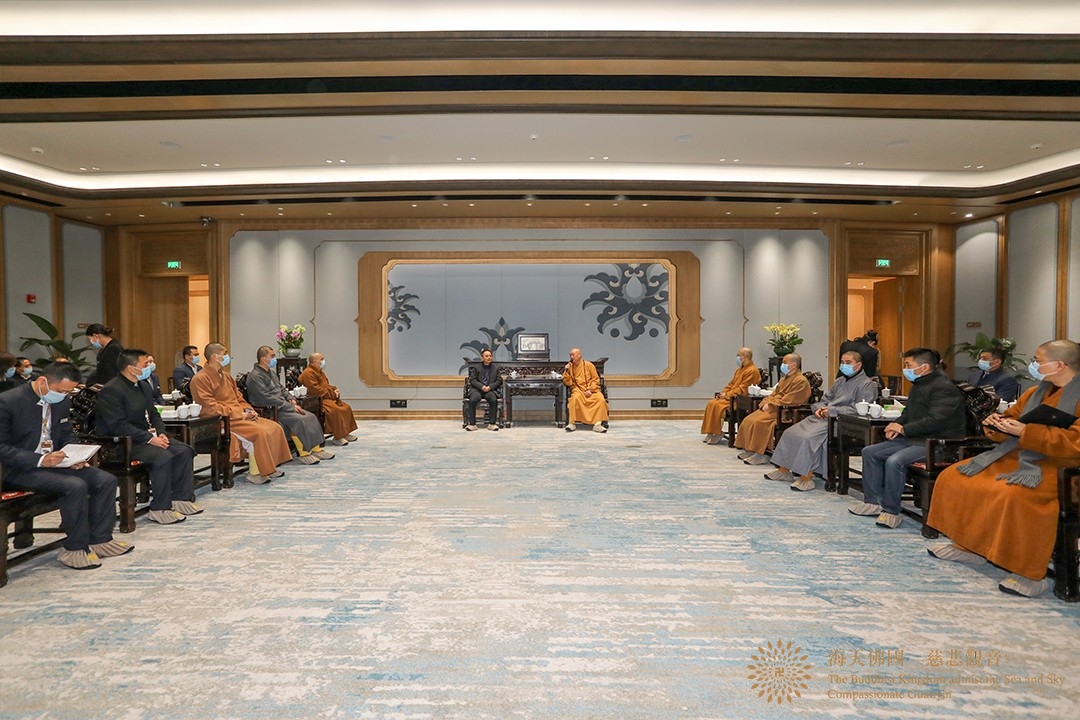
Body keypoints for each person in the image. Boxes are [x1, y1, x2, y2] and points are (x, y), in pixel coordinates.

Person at [927, 339, 1080, 598]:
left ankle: (1030, 573)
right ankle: (969, 546)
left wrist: (1026, 432)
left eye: (1038, 360)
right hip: (1018, 456)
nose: (1033, 364)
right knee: (954, 476)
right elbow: (1012, 419)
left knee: (1014, 495)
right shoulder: (1035, 393)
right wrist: (997, 423)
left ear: (1059, 365)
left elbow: (1075, 443)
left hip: (1060, 467)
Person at [0, 361, 131, 570]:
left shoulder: (60, 401)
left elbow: (66, 432)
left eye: (68, 392)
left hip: (54, 463)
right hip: (17, 469)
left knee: (105, 479)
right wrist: (40, 460)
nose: (64, 396)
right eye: (61, 391)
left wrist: (74, 455)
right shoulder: (8, 402)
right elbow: (2, 448)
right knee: (74, 486)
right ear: (42, 381)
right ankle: (75, 548)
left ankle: (100, 539)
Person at [850, 347, 966, 529]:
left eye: (908, 365)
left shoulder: (944, 388)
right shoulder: (919, 384)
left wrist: (904, 429)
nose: (905, 369)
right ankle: (872, 501)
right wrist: (896, 424)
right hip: (915, 439)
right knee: (870, 452)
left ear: (924, 367)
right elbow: (908, 413)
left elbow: (936, 421)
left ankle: (891, 511)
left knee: (895, 461)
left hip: (937, 444)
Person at [95, 348, 201, 525]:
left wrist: (161, 433)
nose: (149, 367)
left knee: (184, 450)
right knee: (163, 457)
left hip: (146, 437)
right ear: (131, 368)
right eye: (145, 364)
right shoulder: (112, 390)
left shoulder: (143, 385)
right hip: (122, 443)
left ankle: (180, 499)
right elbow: (117, 425)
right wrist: (150, 439)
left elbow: (153, 414)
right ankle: (160, 508)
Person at [766, 350, 878, 491]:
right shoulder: (840, 381)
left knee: (808, 438)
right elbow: (825, 399)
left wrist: (832, 411)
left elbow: (860, 408)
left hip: (840, 422)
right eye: (842, 362)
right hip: (822, 417)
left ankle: (806, 477)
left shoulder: (867, 384)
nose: (844, 365)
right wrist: (818, 409)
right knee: (790, 432)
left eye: (848, 362)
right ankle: (784, 470)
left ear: (859, 365)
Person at [188, 342, 292, 483]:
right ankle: (255, 473)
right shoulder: (200, 379)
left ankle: (269, 467)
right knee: (260, 432)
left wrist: (248, 410)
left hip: (239, 415)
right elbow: (209, 407)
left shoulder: (227, 376)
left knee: (275, 427)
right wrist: (237, 414)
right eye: (224, 354)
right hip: (223, 420)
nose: (228, 356)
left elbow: (239, 398)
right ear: (215, 357)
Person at [246, 346, 334, 465]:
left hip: (283, 405)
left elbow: (282, 389)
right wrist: (290, 407)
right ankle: (304, 453)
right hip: (271, 409)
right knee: (300, 420)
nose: (274, 359)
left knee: (311, 416)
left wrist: (290, 398)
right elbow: (266, 398)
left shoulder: (271, 373)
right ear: (263, 359)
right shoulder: (255, 376)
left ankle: (316, 449)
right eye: (272, 356)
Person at [733, 353, 812, 465]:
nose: (782, 365)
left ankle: (761, 454)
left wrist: (771, 405)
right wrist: (766, 402)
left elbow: (791, 400)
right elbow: (774, 394)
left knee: (758, 422)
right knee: (748, 419)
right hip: (773, 408)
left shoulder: (801, 381)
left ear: (793, 365)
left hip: (784, 412)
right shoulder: (784, 379)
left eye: (784, 362)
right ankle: (749, 449)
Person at [700, 347, 760, 445]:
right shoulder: (739, 370)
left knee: (718, 405)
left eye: (738, 355)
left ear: (745, 357)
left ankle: (717, 432)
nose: (737, 357)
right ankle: (711, 432)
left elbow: (743, 389)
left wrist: (727, 395)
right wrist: (723, 393)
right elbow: (731, 384)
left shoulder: (752, 371)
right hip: (730, 397)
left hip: (738, 400)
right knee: (712, 403)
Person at [298, 352, 359, 444]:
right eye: (321, 359)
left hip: (326, 397)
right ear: (314, 361)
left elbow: (325, 385)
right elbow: (316, 390)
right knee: (336, 410)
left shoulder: (319, 371)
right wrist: (332, 394)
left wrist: (334, 389)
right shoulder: (308, 373)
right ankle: (338, 437)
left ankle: (344, 433)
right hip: (317, 400)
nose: (323, 361)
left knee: (346, 407)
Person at [562, 347, 608, 433]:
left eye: (573, 355)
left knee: (600, 399)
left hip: (592, 390)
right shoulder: (570, 367)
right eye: (570, 355)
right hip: (578, 390)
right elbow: (567, 382)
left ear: (579, 355)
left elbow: (596, 380)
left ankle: (598, 425)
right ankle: (571, 423)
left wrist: (590, 390)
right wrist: (566, 371)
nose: (571, 357)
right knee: (574, 399)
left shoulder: (589, 365)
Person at [463, 348, 503, 431]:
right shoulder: (476, 367)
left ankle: (492, 424)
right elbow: (472, 380)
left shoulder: (496, 368)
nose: (489, 357)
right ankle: (472, 424)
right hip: (477, 389)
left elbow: (499, 381)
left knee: (493, 400)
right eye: (487, 356)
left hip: (490, 390)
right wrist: (481, 386)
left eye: (490, 356)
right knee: (473, 400)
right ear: (482, 358)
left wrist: (490, 387)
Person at [85, 322, 124, 387]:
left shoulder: (114, 348)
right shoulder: (104, 349)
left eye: (90, 339)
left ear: (96, 336)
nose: (91, 342)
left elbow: (113, 373)